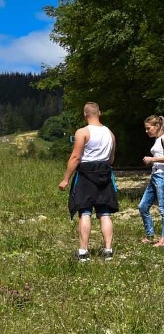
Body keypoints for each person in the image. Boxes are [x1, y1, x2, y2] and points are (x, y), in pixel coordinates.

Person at [59, 102, 118, 262]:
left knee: (85, 212)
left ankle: (83, 251)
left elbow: (76, 157)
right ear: (100, 113)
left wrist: (66, 179)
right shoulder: (110, 134)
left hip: (86, 175)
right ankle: (108, 250)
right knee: (104, 214)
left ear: (85, 115)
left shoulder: (82, 132)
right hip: (104, 174)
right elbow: (111, 159)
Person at [138, 115, 164, 246]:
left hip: (163, 177)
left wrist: (152, 159)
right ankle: (150, 234)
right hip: (155, 176)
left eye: (148, 128)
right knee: (143, 206)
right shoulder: (158, 139)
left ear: (157, 126)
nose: (146, 131)